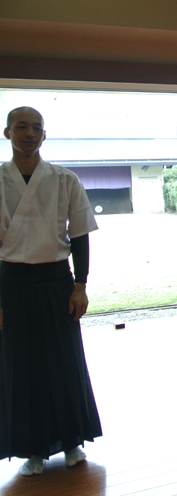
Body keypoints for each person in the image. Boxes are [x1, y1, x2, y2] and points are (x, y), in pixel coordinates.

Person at [0, 107, 101, 475]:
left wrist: (80, 285)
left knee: (64, 361)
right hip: (11, 283)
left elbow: (80, 235)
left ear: (44, 135)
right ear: (7, 132)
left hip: (57, 281)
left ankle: (72, 441)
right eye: (21, 127)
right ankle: (32, 449)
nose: (29, 133)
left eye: (36, 128)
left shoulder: (64, 179)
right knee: (19, 365)